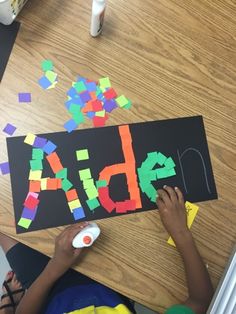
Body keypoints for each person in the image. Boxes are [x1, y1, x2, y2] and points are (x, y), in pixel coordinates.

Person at [0, 186, 214, 314]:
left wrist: (56, 266)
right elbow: (201, 301)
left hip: (47, 287)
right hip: (112, 281)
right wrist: (180, 232)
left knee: (5, 217)